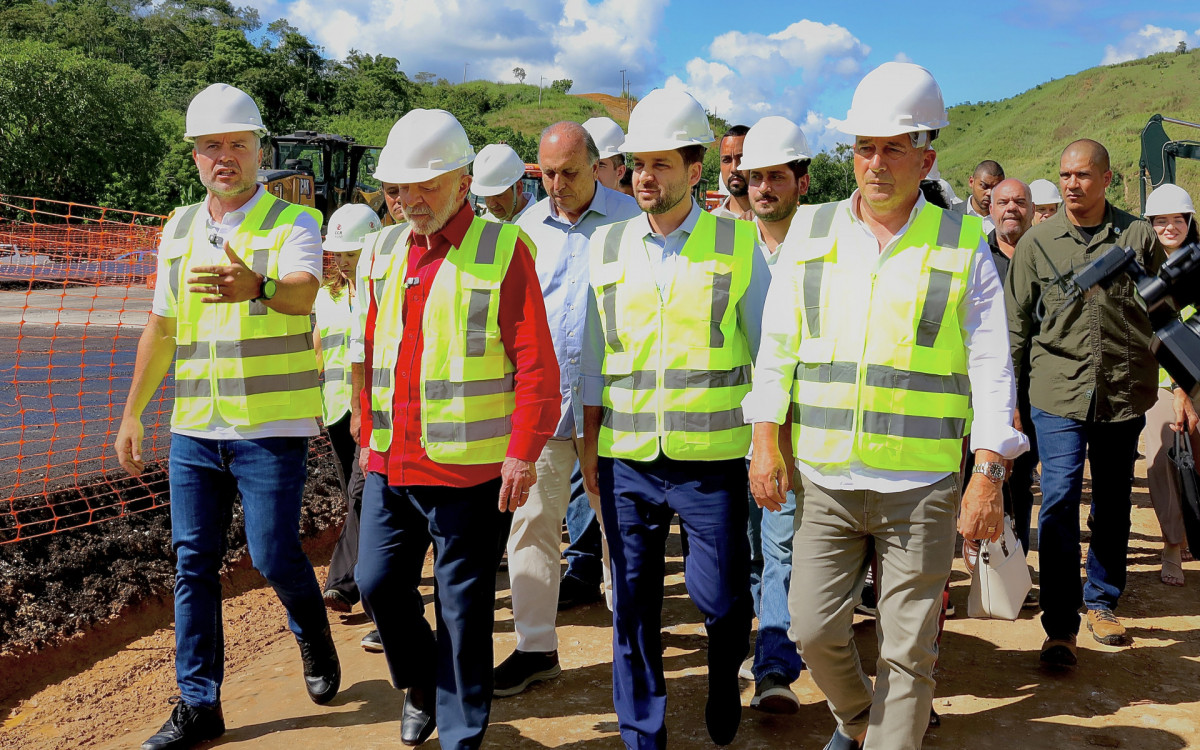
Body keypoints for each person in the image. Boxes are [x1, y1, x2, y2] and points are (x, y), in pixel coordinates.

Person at [746, 62, 1026, 750]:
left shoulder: (963, 244)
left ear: (926, 157)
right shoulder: (810, 233)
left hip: (921, 487)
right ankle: (863, 722)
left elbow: (993, 367)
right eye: (864, 147)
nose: (875, 163)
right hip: (825, 480)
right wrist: (764, 440)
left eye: (893, 148)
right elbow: (778, 347)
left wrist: (987, 474)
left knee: (908, 653)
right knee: (810, 629)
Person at [114, 83, 340, 750]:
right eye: (210, 146)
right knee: (193, 563)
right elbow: (162, 326)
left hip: (269, 430)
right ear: (194, 157)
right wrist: (133, 413)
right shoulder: (179, 228)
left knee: (272, 554)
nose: (223, 156)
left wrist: (259, 287)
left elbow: (304, 295)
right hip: (196, 430)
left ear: (258, 151)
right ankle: (199, 704)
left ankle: (312, 633)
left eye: (236, 144)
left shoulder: (292, 221)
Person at [354, 108, 560, 749]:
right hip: (392, 461)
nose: (410, 200)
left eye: (425, 185)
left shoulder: (503, 250)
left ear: (462, 181)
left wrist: (522, 455)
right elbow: (365, 350)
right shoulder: (382, 248)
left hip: (472, 473)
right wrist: (364, 429)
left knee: (464, 611)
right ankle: (419, 684)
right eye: (397, 189)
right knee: (377, 583)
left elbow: (537, 367)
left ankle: (461, 735)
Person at [582, 88, 771, 749]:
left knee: (719, 599)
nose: (645, 177)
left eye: (661, 164)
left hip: (712, 462)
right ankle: (643, 733)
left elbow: (769, 354)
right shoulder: (605, 248)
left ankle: (724, 674)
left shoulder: (738, 246)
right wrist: (589, 448)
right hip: (628, 456)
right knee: (632, 604)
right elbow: (593, 358)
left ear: (696, 171)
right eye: (638, 164)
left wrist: (768, 446)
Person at [1007, 139, 1166, 667]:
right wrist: (1009, 400)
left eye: (1081, 175)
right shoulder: (1037, 243)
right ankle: (1060, 623)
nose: (1071, 184)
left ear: (1106, 179)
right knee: (1057, 501)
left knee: (1114, 502)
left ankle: (1102, 599)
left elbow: (1164, 306)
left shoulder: (1138, 236)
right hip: (1056, 393)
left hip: (1122, 392)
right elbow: (1016, 327)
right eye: (1064, 176)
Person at [495, 121, 640, 696]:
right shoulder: (527, 228)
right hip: (546, 405)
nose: (558, 185)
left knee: (620, 523)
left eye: (570, 173)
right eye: (548, 174)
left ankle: (631, 640)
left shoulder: (632, 221)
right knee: (532, 523)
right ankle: (535, 647)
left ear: (597, 165)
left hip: (616, 403)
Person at [736, 114, 811, 714]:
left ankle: (778, 661)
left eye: (775, 177)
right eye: (754, 177)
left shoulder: (826, 246)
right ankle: (771, 650)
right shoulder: (728, 247)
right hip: (737, 425)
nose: (762, 188)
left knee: (787, 544)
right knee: (761, 546)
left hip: (808, 426)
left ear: (802, 181)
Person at [319, 203, 382, 620]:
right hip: (337, 409)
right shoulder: (328, 296)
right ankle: (377, 564)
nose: (343, 263)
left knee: (363, 494)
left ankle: (344, 583)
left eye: (350, 254)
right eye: (338, 255)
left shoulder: (385, 286)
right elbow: (318, 350)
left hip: (375, 411)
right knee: (355, 496)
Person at [1140, 183, 1200, 586]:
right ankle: (1173, 545)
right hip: (1160, 380)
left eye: (1176, 220)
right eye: (1160, 221)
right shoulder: (1142, 272)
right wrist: (1178, 391)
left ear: (1189, 222)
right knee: (1161, 460)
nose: (1168, 227)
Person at [984, 179, 1039, 557]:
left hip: (1037, 382)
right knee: (986, 472)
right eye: (1003, 201)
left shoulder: (1045, 252)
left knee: (1022, 476)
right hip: (984, 384)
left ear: (1032, 209)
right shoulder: (975, 253)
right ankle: (985, 556)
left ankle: (1016, 560)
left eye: (1020, 202)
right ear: (990, 208)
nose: (1011, 209)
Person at [472, 143, 534, 223]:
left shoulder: (542, 222)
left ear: (518, 188)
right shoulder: (486, 222)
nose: (491, 204)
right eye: (486, 195)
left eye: (498, 195)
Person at [710, 124, 752, 218]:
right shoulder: (712, 220)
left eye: (741, 159)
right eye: (726, 160)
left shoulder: (779, 221)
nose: (734, 168)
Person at [953, 159, 1004, 234]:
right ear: (971, 182)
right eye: (984, 186)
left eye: (996, 188)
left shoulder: (1007, 219)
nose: (989, 193)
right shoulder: (951, 215)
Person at [584, 116, 629, 191]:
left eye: (600, 166)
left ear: (620, 172)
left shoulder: (630, 203)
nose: (590, 174)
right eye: (585, 165)